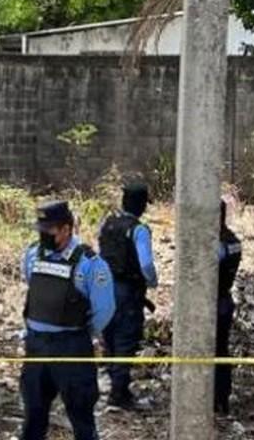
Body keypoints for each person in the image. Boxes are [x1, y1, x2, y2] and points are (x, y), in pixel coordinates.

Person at [21, 200, 115, 440]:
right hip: (36, 346)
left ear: (66, 229)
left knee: (81, 417)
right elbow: (32, 285)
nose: (43, 234)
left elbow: (104, 309)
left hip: (71, 347)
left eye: (49, 230)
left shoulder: (90, 264)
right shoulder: (33, 254)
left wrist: (81, 332)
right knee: (33, 415)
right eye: (40, 229)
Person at [97, 178, 158, 409]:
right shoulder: (139, 230)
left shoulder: (107, 223)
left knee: (109, 338)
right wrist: (152, 282)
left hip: (103, 288)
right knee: (125, 340)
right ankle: (119, 394)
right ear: (141, 205)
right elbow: (146, 265)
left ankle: (114, 385)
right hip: (126, 292)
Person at [216, 198, 242, 415]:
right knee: (221, 350)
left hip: (212, 303)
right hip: (225, 300)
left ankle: (214, 398)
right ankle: (222, 398)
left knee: (209, 351)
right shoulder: (233, 241)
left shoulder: (216, 245)